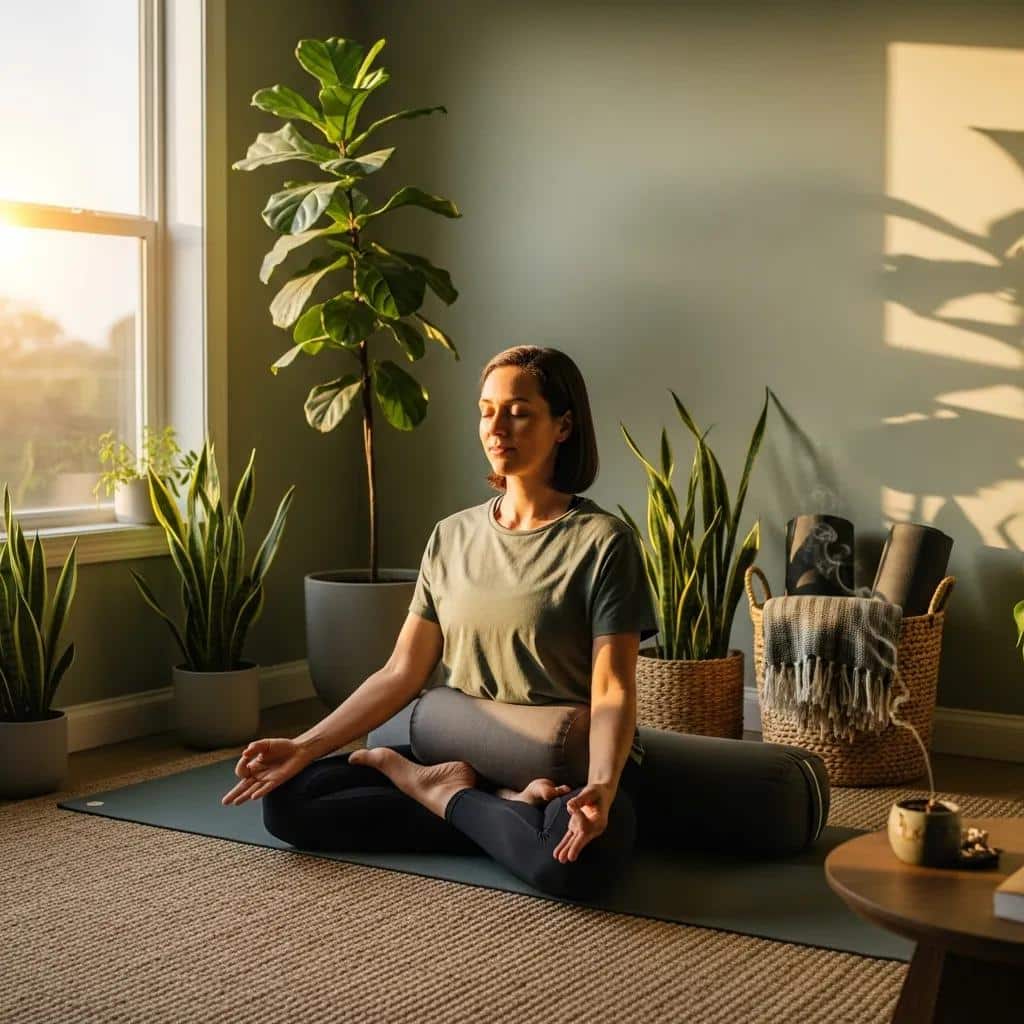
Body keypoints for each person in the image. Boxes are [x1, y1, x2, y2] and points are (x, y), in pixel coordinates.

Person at [220, 346, 659, 900]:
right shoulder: (451, 536)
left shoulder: (603, 541)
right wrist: (304, 745)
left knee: (576, 865)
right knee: (289, 802)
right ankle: (493, 807)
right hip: (470, 750)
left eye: (519, 411)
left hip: (566, 764)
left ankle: (447, 796)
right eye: (486, 410)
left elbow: (612, 686)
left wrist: (601, 783)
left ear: (563, 425)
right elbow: (402, 671)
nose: (497, 427)